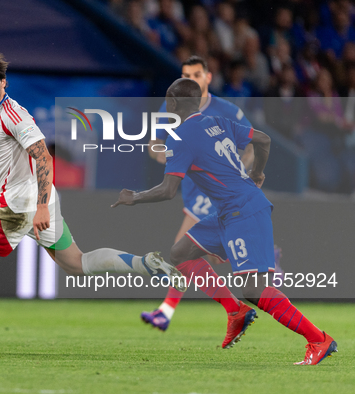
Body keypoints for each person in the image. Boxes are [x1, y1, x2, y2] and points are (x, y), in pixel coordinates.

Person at [0, 51, 185, 350]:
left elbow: (43, 156)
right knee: (76, 263)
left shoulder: (13, 114)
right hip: (37, 201)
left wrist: (41, 206)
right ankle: (144, 264)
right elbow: (0, 156)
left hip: (18, 206)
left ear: (3, 83)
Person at [113, 78, 337, 365]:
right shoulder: (217, 122)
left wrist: (134, 197)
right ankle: (235, 311)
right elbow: (263, 140)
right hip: (229, 211)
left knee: (253, 289)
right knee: (181, 254)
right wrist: (257, 173)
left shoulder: (179, 137)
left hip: (242, 212)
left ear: (171, 104)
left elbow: (168, 191)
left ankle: (318, 339)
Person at [145, 55, 255, 331]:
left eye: (196, 75)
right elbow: (153, 144)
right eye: (185, 75)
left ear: (208, 77)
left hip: (215, 190)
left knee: (182, 250)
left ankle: (168, 311)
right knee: (198, 254)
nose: (190, 80)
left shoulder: (226, 109)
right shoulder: (170, 107)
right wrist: (172, 157)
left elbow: (254, 143)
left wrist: (237, 170)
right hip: (192, 189)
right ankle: (239, 300)